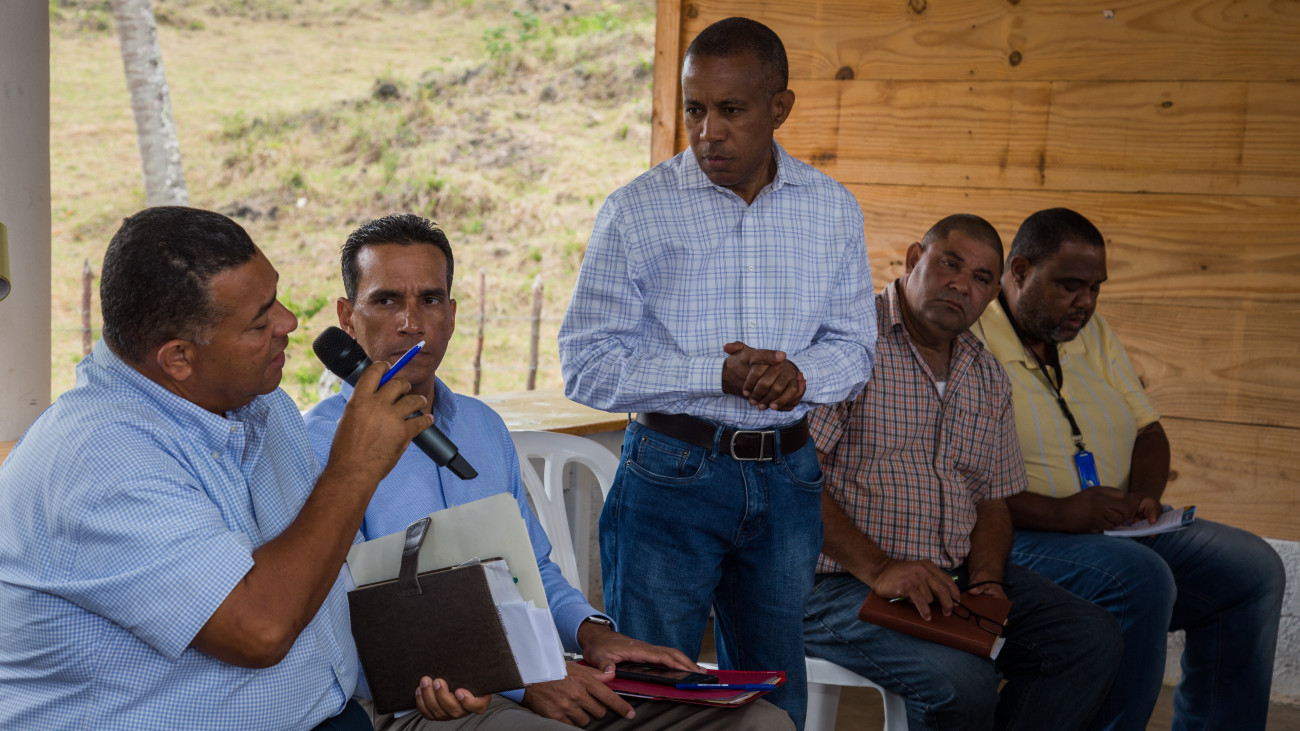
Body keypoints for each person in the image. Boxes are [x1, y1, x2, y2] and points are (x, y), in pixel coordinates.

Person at [305, 213, 793, 731]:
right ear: (347, 318)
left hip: (534, 669)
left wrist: (592, 634)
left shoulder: (481, 425)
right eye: (386, 301)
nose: (412, 322)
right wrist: (525, 681)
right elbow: (353, 621)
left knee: (762, 723)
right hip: (418, 701)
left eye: (429, 299)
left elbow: (532, 568)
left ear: (451, 314)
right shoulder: (316, 444)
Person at [0, 207, 436, 730]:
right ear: (178, 358)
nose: (289, 323)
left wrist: (443, 660)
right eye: (259, 322)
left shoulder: (260, 402)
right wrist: (353, 469)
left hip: (337, 714)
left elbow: (322, 570)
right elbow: (260, 630)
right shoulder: (98, 461)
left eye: (276, 299)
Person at [557, 17, 876, 728]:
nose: (709, 132)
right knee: (649, 694)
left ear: (779, 108)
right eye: (695, 109)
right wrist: (717, 375)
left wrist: (800, 377)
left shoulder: (831, 210)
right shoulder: (636, 211)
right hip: (671, 474)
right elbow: (585, 365)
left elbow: (854, 348)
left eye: (732, 110)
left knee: (773, 693)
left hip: (789, 478)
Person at [803, 214, 1122, 731]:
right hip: (835, 582)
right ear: (914, 260)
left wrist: (989, 579)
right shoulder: (849, 344)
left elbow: (992, 502)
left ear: (993, 293)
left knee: (1088, 638)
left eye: (980, 278)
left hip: (948, 578)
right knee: (962, 682)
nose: (960, 285)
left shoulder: (986, 374)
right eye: (949, 264)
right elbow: (795, 480)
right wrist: (880, 568)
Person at [973, 207, 1286, 731]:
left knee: (1252, 568)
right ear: (1020, 270)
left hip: (1112, 528)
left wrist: (1145, 496)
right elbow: (956, 479)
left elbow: (1149, 431)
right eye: (1070, 286)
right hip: (1014, 536)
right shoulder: (971, 338)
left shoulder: (1091, 334)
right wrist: (1060, 513)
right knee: (1139, 578)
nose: (1086, 303)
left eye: (1096, 288)